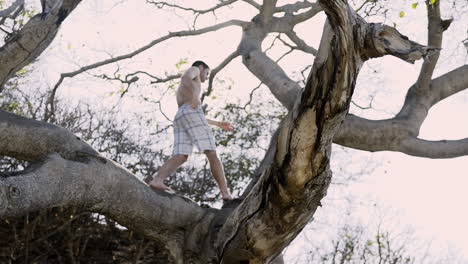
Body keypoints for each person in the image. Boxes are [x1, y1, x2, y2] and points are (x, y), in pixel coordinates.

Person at [149, 60, 233, 201]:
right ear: (201, 67)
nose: (206, 78)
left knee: (181, 155)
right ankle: (225, 193)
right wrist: (195, 97)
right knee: (211, 152)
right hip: (190, 112)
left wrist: (217, 123)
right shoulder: (194, 70)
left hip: (181, 116)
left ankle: (157, 180)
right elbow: (185, 78)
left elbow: (192, 114)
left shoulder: (185, 91)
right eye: (207, 73)